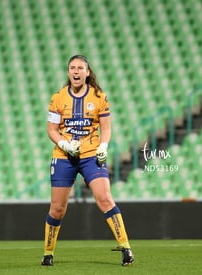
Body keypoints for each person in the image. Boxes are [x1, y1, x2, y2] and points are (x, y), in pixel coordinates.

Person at [41, 55, 134, 266]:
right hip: (64, 156)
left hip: (91, 154)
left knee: (105, 199)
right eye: (72, 68)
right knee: (57, 209)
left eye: (80, 68)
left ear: (87, 72)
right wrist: (64, 144)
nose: (76, 71)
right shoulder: (58, 98)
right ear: (68, 73)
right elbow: (51, 130)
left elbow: (106, 128)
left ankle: (126, 248)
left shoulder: (99, 96)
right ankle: (48, 253)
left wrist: (103, 146)